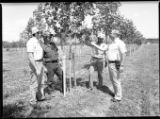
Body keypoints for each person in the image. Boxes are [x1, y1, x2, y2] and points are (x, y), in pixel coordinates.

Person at [91, 30, 127, 102]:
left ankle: (118, 97)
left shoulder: (120, 43)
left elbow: (124, 54)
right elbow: (103, 49)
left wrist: (122, 65)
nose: (110, 34)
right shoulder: (112, 43)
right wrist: (94, 44)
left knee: (116, 80)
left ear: (115, 34)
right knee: (113, 80)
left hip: (115, 63)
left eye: (111, 33)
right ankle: (116, 94)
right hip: (111, 63)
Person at [26, 27, 48, 105]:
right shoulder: (30, 42)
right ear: (34, 33)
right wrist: (36, 68)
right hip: (34, 63)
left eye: (40, 32)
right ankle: (32, 100)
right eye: (38, 33)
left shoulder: (39, 41)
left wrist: (43, 65)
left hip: (40, 62)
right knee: (34, 82)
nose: (40, 34)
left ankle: (40, 97)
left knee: (41, 81)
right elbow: (30, 56)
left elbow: (41, 54)